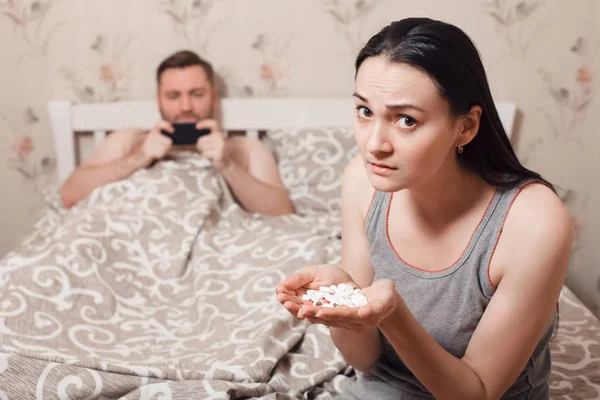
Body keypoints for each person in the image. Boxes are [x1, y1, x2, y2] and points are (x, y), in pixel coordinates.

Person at [276, 17, 572, 399]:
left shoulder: (534, 223)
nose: (375, 144)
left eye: (406, 120)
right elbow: (365, 363)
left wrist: (393, 316)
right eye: (365, 112)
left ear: (465, 127)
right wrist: (345, 299)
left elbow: (476, 393)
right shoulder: (362, 183)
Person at [60, 50, 294, 216]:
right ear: (158, 99)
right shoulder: (130, 140)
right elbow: (70, 195)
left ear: (213, 96)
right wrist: (139, 158)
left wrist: (227, 165)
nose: (185, 107)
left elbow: (282, 213)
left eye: (197, 94)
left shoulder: (245, 148)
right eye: (173, 96)